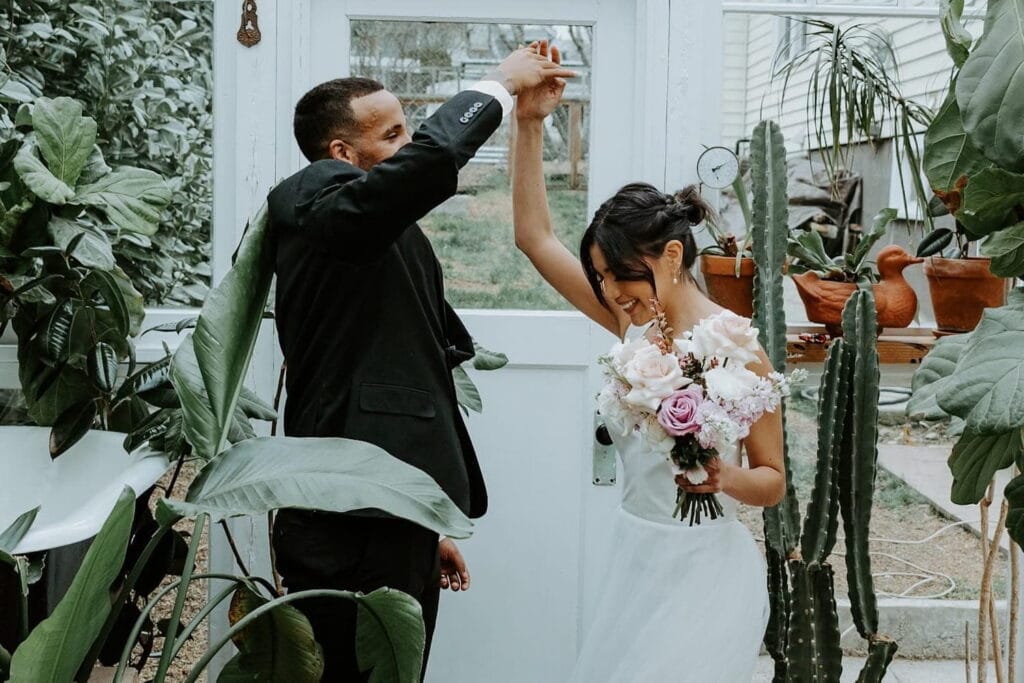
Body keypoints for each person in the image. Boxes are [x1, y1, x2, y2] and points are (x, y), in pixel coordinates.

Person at [267, 44, 575, 681]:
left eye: (407, 129)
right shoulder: (313, 195)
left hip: (389, 511)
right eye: (392, 135)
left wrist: (422, 524)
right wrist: (499, 84)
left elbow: (401, 360)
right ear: (340, 154)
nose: (409, 145)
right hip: (344, 509)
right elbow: (425, 166)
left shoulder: (379, 226)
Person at [512, 44, 786, 681]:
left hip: (704, 570)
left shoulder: (738, 346)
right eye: (601, 277)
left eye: (619, 275)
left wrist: (724, 477)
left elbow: (772, 481)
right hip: (636, 558)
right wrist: (529, 124)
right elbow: (534, 238)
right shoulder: (630, 324)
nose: (610, 292)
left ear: (671, 256)